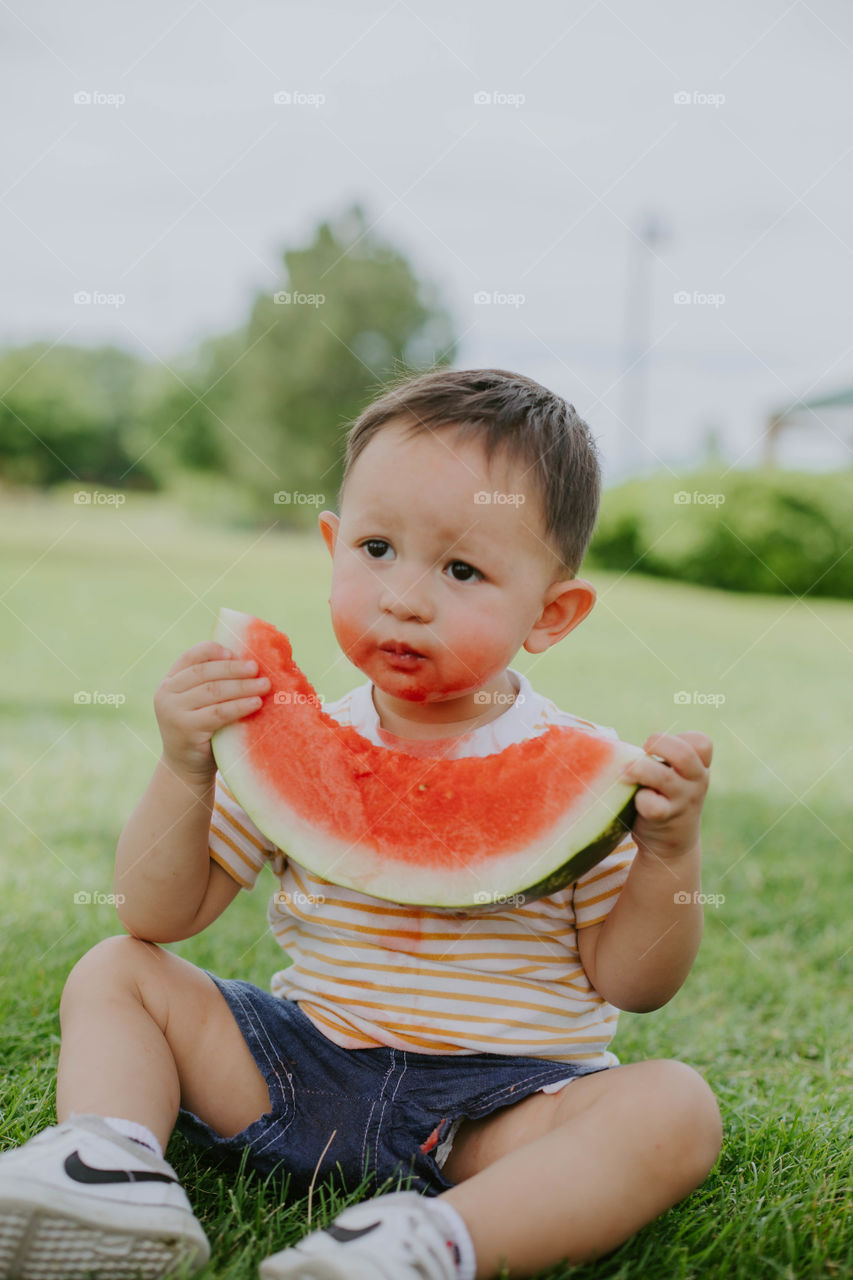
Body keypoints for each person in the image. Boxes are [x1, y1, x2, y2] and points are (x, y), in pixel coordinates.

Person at [0, 368, 722, 1280]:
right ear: (332, 545)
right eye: (377, 549)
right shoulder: (290, 736)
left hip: (492, 1113)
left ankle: (428, 1245)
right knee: (117, 971)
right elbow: (155, 912)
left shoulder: (586, 773)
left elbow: (633, 981)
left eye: (461, 569)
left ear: (551, 614)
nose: (405, 596)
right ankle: (105, 1164)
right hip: (296, 1067)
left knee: (674, 1107)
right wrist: (184, 764)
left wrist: (667, 852)